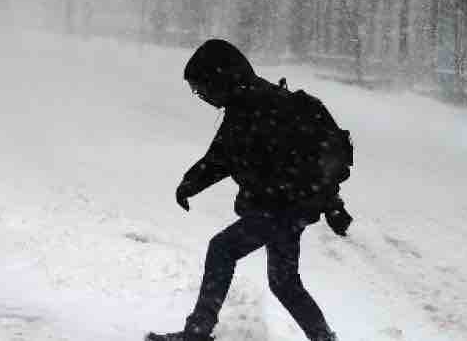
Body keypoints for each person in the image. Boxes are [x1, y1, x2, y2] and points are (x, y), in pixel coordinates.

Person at [147, 39, 353, 341]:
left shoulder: (262, 107)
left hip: (282, 208)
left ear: (221, 78)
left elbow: (304, 158)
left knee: (222, 249)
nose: (201, 95)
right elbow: (221, 157)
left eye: (202, 87)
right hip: (287, 209)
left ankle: (197, 332)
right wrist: (189, 184)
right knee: (284, 283)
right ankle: (324, 339)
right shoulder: (244, 105)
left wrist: (330, 204)